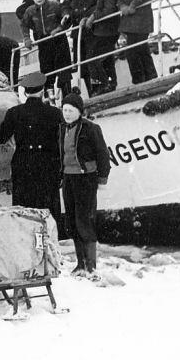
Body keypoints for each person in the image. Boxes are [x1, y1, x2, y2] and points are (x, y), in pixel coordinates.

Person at [0, 72, 64, 234]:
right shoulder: (56, 113)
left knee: (25, 210)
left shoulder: (15, 113)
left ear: (25, 92)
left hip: (24, 165)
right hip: (48, 164)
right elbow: (62, 142)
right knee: (49, 208)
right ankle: (52, 243)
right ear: (42, 90)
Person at [60, 92, 110, 276]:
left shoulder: (91, 128)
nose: (66, 114)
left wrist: (102, 178)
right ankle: (80, 263)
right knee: (71, 221)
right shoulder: (62, 129)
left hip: (85, 178)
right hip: (68, 178)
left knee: (85, 220)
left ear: (79, 111)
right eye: (64, 110)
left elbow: (102, 153)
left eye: (70, 111)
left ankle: (91, 265)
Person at [115, 0, 158, 84]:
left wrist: (134, 3)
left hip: (141, 20)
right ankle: (148, 78)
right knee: (138, 50)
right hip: (129, 23)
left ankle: (142, 79)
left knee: (135, 50)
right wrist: (122, 6)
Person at [21, 0, 71, 93]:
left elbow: (66, 15)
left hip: (59, 41)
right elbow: (24, 24)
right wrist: (26, 38)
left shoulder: (55, 6)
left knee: (64, 72)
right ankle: (49, 98)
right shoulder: (30, 11)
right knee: (47, 72)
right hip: (43, 43)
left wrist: (60, 28)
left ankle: (67, 96)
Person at [60, 0, 99, 91]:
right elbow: (67, 4)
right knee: (81, 62)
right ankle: (90, 90)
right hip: (78, 28)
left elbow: (100, 2)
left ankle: (97, 89)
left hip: (91, 26)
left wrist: (89, 16)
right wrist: (66, 15)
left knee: (91, 59)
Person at [86, 0, 120, 94]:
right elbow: (100, 8)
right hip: (103, 31)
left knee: (92, 57)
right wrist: (89, 16)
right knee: (105, 58)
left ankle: (104, 84)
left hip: (108, 31)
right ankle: (109, 83)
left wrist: (94, 17)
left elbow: (109, 11)